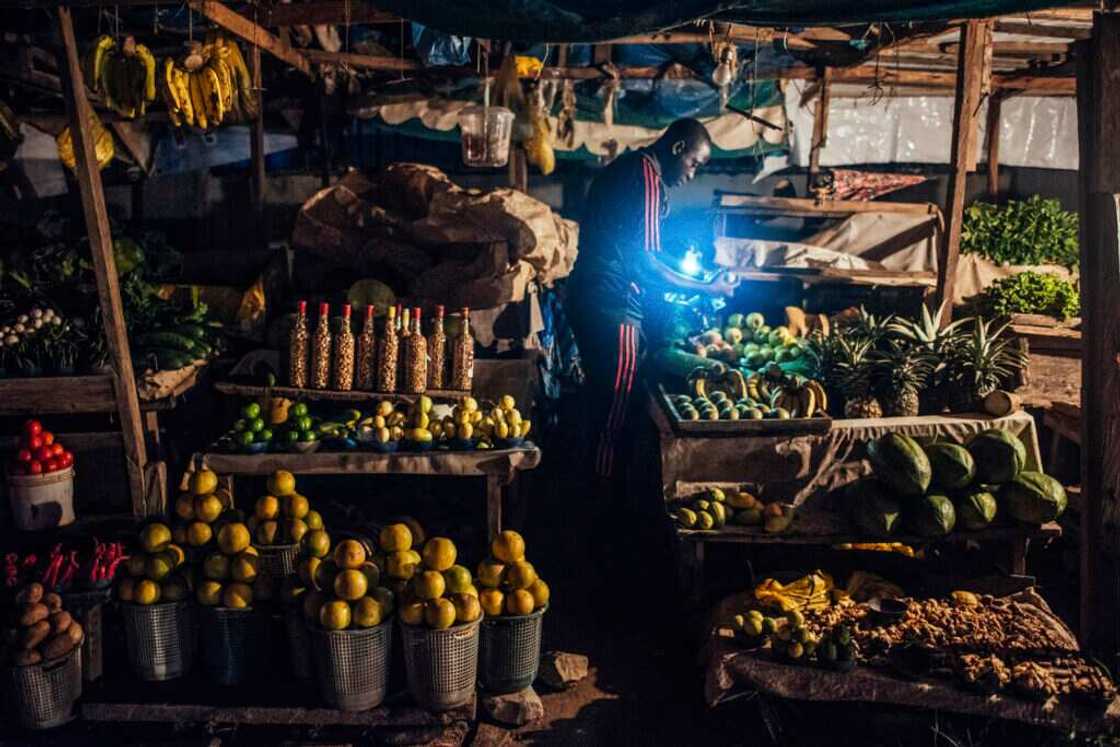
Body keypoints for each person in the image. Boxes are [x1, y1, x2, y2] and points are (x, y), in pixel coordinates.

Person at [568, 118, 739, 493]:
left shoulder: (626, 170)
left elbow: (644, 253)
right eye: (694, 163)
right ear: (678, 148)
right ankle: (600, 498)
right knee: (617, 405)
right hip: (612, 304)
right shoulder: (645, 175)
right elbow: (644, 264)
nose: (692, 175)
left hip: (591, 296)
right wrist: (706, 287)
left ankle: (585, 490)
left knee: (601, 398)